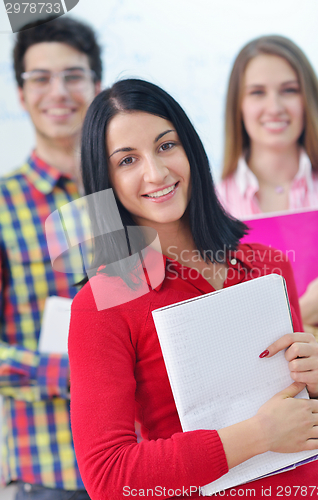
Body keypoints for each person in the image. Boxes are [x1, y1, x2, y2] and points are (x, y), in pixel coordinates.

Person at [67, 79, 318, 500]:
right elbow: (109, 478)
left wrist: (317, 385)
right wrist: (260, 434)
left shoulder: (266, 265)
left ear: (190, 148)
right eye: (128, 160)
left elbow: (308, 419)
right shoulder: (101, 305)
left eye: (166, 145)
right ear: (107, 181)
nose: (155, 172)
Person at [215, 35, 318, 480]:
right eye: (257, 92)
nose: (274, 106)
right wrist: (309, 309)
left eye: (289, 89)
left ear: (309, 99)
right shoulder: (210, 204)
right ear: (238, 106)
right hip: (260, 440)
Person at [0, 15, 101, 499]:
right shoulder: (2, 206)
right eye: (40, 78)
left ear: (97, 86)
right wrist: (78, 372)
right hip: (52, 471)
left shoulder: (139, 192)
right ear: (21, 94)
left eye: (73, 76)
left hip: (153, 459)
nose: (58, 91)